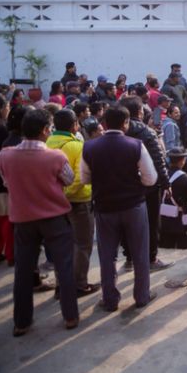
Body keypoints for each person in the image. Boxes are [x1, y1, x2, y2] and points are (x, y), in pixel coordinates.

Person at [0, 109, 80, 336]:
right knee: (64, 267)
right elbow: (69, 179)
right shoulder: (55, 157)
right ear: (45, 130)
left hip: (23, 219)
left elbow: (6, 181)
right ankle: (70, 315)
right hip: (54, 217)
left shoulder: (5, 155)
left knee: (23, 271)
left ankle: (21, 321)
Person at [80, 106, 158, 312]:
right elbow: (151, 179)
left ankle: (110, 299)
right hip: (133, 205)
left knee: (107, 255)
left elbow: (84, 178)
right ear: (126, 123)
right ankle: (142, 296)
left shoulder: (89, 147)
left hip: (104, 207)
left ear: (104, 123)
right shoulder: (135, 145)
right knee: (140, 252)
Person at [45, 108, 99, 297]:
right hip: (78, 201)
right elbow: (78, 179)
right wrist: (66, 195)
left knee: (62, 245)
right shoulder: (77, 146)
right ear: (74, 125)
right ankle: (79, 284)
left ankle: (62, 284)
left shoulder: (48, 143)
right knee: (82, 244)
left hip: (53, 203)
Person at [119, 96, 172, 271]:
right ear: (140, 112)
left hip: (124, 185)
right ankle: (151, 258)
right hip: (148, 186)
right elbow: (159, 160)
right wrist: (166, 183)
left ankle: (129, 258)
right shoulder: (147, 133)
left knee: (126, 223)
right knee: (151, 222)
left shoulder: (118, 132)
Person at [159, 148, 187, 249]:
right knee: (184, 247)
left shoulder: (162, 176)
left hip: (164, 220)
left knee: (165, 246)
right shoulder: (186, 179)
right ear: (182, 160)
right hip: (181, 221)